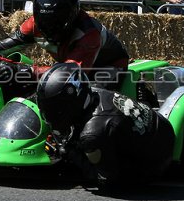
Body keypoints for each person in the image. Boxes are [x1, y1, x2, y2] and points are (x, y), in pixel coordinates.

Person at [37, 63, 175, 188]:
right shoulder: (95, 92)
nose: (49, 112)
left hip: (156, 161)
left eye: (53, 107)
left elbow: (106, 178)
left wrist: (69, 151)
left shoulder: (92, 135)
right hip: (160, 125)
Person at [0, 0, 129, 84]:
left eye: (55, 21)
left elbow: (69, 73)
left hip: (106, 67)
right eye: (44, 21)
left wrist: (23, 71)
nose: (48, 27)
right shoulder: (34, 23)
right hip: (71, 65)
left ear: (71, 17)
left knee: (94, 99)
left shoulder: (88, 33)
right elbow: (8, 44)